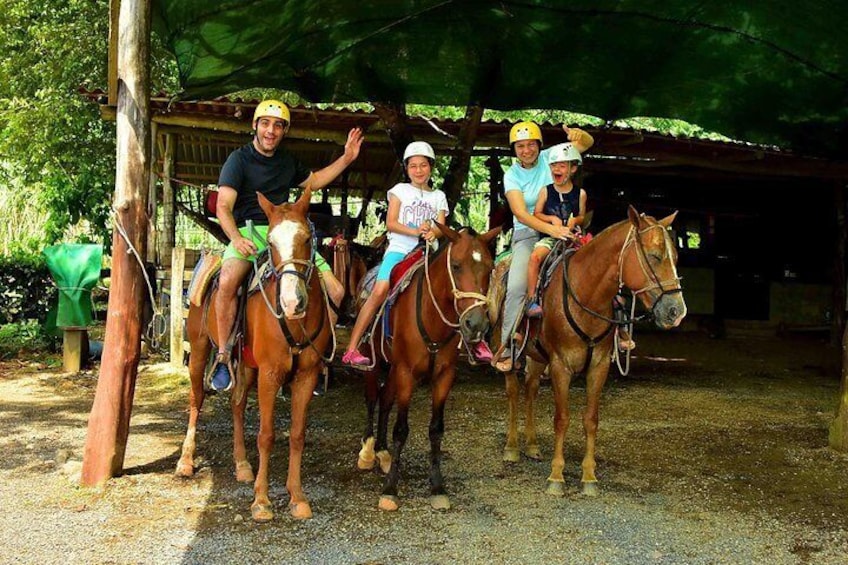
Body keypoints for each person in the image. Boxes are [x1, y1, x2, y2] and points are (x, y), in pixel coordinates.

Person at [210, 99, 364, 391]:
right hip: (249, 231)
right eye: (266, 123)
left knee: (336, 289)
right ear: (255, 126)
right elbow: (223, 207)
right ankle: (223, 355)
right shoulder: (238, 160)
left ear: (284, 131)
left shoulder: (286, 161)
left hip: (285, 232)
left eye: (278, 126)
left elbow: (315, 181)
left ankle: (316, 357)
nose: (271, 131)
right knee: (228, 280)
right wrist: (236, 239)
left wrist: (347, 158)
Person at [493, 121, 594, 372]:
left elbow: (585, 144)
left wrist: (579, 136)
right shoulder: (512, 175)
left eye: (530, 145)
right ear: (513, 149)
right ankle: (507, 346)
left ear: (539, 145)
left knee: (598, 269)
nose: (526, 150)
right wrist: (552, 230)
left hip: (565, 231)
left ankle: (610, 335)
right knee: (516, 284)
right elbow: (520, 212)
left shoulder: (553, 156)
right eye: (520, 146)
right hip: (528, 233)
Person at [341, 141, 449, 369]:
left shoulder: (439, 195)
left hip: (428, 253)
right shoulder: (399, 191)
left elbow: (441, 225)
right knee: (380, 289)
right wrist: (415, 231)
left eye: (423, 165)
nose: (418, 170)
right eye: (413, 166)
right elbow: (391, 223)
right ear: (407, 169)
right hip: (399, 250)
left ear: (431, 167)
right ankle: (352, 347)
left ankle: (471, 342)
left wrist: (433, 232)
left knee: (454, 287)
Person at [525, 142, 587, 318]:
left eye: (561, 165)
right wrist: (552, 220)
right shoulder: (545, 191)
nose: (556, 169)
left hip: (573, 238)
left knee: (595, 258)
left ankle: (613, 298)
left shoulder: (580, 194)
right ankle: (531, 299)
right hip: (550, 238)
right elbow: (536, 214)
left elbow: (582, 216)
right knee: (535, 258)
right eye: (553, 165)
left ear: (573, 168)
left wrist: (575, 220)